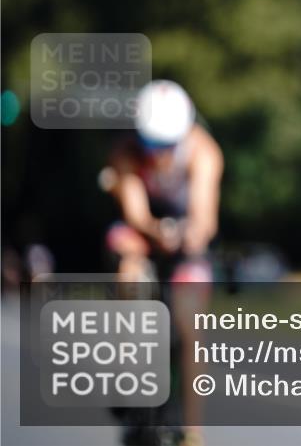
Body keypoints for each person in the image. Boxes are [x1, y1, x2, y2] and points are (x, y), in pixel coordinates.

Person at [102, 80, 223, 446]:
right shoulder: (124, 152)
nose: (158, 154)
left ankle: (193, 430)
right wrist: (157, 233)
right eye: (151, 144)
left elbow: (205, 215)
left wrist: (191, 235)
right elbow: (135, 213)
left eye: (166, 145)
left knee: (191, 325)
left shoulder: (204, 151)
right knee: (128, 268)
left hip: (184, 232)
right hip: (143, 228)